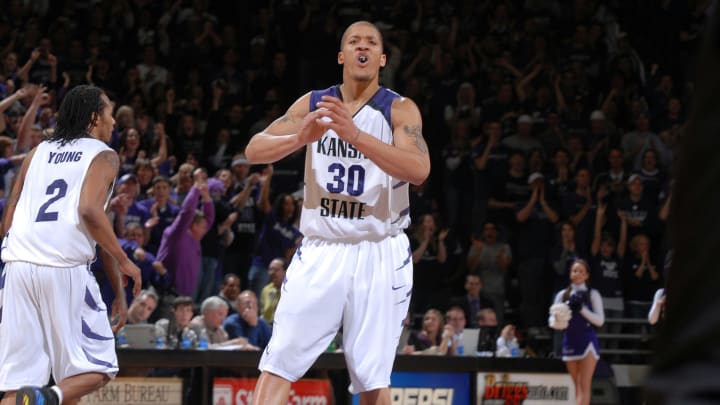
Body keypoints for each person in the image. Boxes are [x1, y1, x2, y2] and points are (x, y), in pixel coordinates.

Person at [244, 21, 430, 405]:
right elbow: (254, 150)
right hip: (323, 248)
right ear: (342, 56)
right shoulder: (315, 103)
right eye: (354, 41)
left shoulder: (399, 109)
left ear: (381, 59)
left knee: (372, 376)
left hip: (380, 250)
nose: (363, 46)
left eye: (372, 42)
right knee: (279, 360)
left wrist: (355, 135)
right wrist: (300, 139)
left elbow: (419, 169)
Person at [0, 85, 142, 405]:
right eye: (109, 114)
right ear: (94, 118)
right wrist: (125, 262)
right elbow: (90, 212)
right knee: (98, 366)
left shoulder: (38, 152)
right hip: (62, 269)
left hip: (17, 267)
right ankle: (48, 396)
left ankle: (42, 396)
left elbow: (10, 213)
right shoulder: (103, 155)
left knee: (18, 385)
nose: (114, 123)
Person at [548, 259, 605, 405]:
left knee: (584, 384)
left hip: (588, 341)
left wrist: (581, 309)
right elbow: (553, 323)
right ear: (570, 274)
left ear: (587, 275)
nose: (578, 274)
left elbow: (600, 321)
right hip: (570, 340)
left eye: (581, 271)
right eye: (575, 270)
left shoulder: (593, 294)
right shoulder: (562, 295)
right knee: (577, 387)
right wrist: (559, 317)